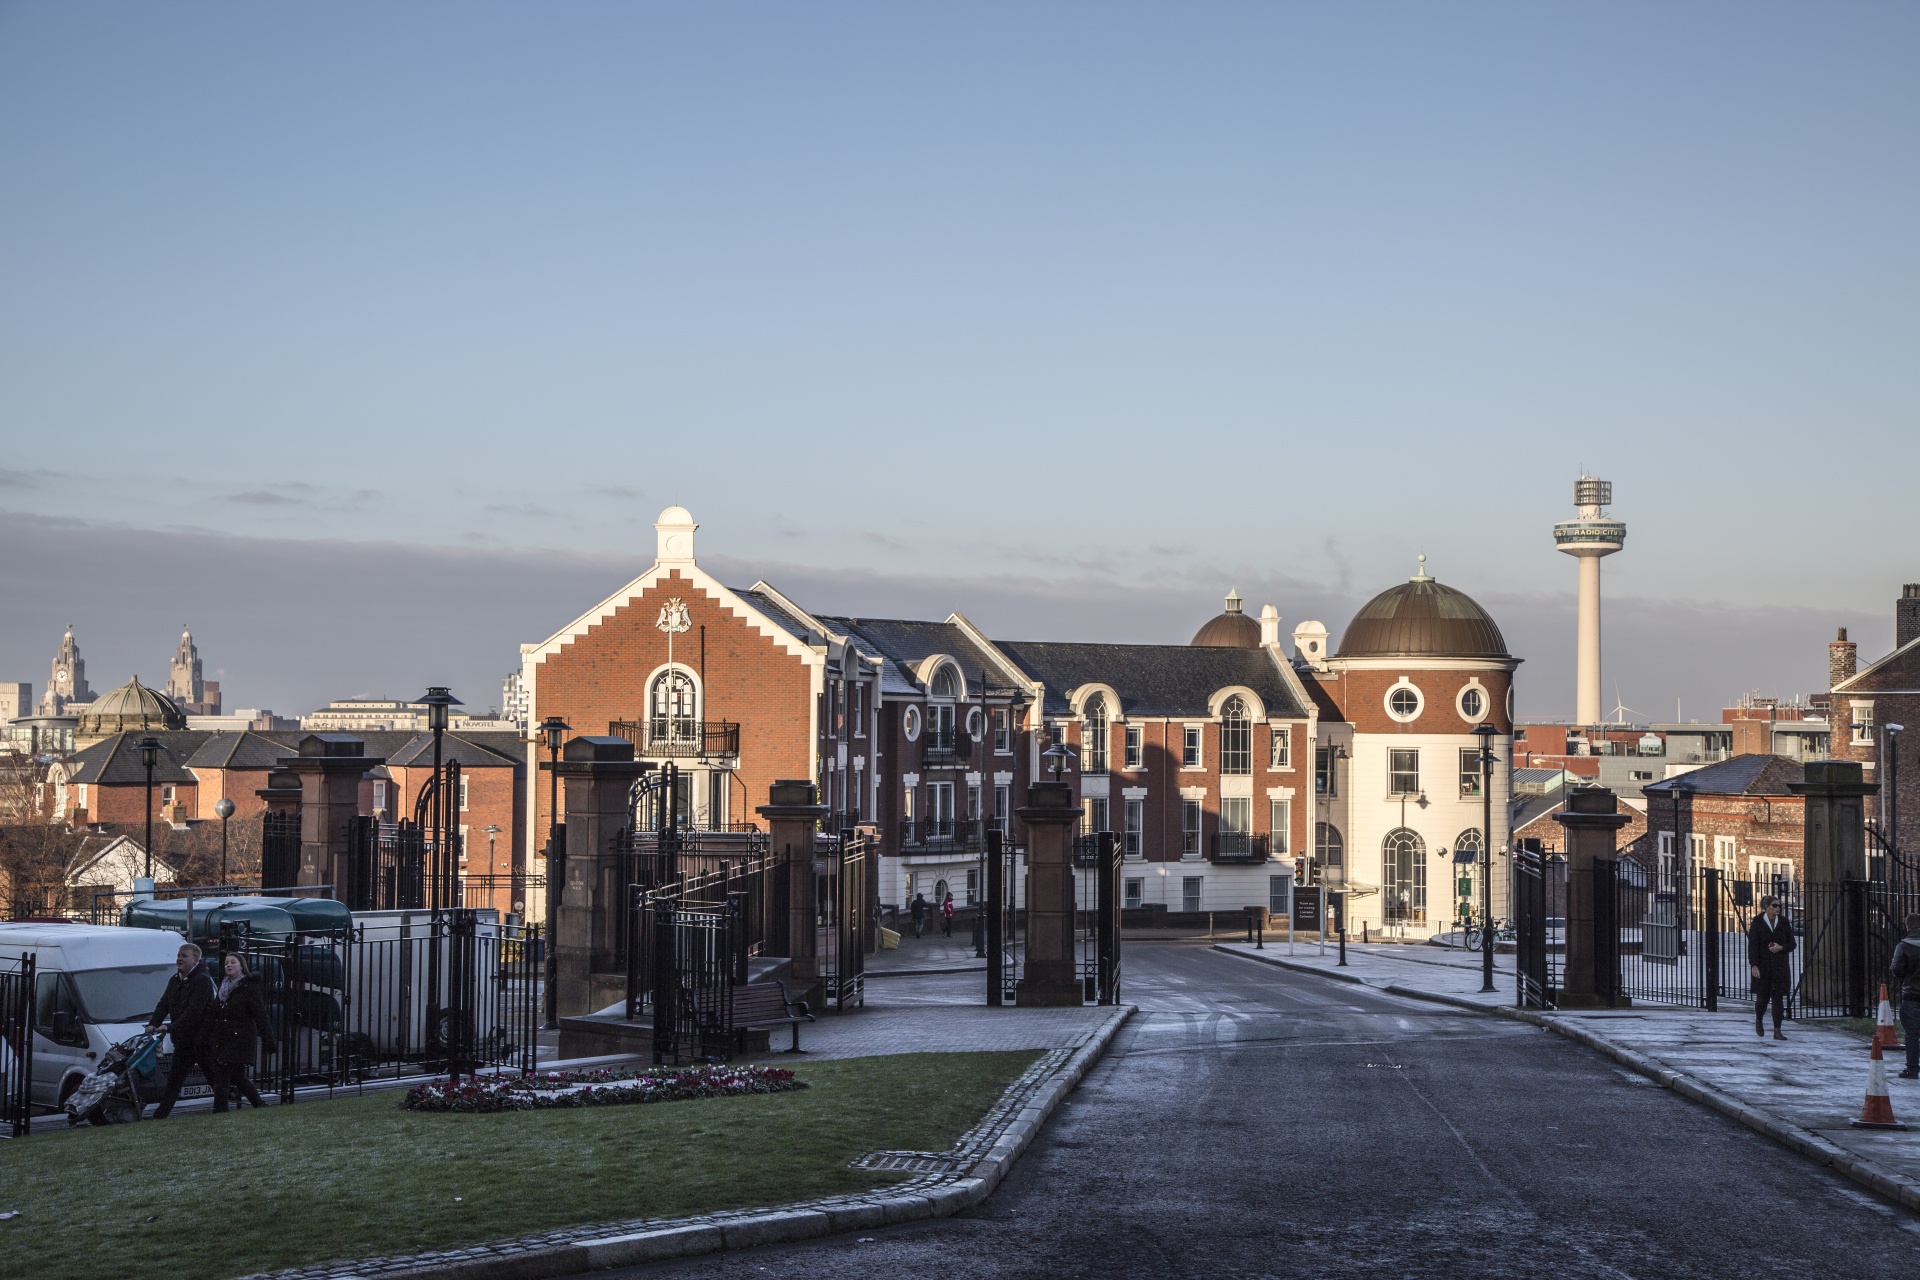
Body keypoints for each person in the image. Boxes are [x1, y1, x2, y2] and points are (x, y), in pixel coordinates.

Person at [145, 941, 216, 1118]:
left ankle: (227, 1105)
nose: (179, 959)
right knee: (175, 1080)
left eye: (184, 956)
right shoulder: (175, 980)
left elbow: (194, 1012)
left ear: (195, 960)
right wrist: (153, 1023)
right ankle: (160, 1115)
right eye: (178, 955)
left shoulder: (202, 981)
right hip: (184, 1041)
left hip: (202, 1040)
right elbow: (164, 1004)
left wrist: (169, 1027)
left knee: (213, 1076)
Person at [206, 952, 275, 1111]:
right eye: (226, 963)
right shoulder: (224, 987)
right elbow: (214, 1013)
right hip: (224, 1038)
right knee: (238, 1076)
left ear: (241, 966)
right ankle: (258, 1103)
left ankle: (220, 1110)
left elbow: (260, 1014)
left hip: (239, 1038)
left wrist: (268, 1038)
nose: (228, 965)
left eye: (233, 962)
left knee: (222, 1075)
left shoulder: (248, 987)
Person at [1748, 895, 1795, 1041]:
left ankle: (1777, 1030)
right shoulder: (1757, 922)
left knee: (1778, 998)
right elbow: (1753, 946)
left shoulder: (1784, 923)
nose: (1778, 908)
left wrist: (1782, 947)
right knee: (1762, 998)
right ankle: (1759, 1020)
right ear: (1767, 906)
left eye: (1779, 906)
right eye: (1775, 905)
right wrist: (1754, 965)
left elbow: (1792, 943)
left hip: (1780, 966)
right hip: (1763, 966)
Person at [1889, 913, 1920, 1079]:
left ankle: (1912, 1069)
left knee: (1912, 1035)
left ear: (1908, 926)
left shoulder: (1904, 946)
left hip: (1912, 994)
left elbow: (1896, 969)